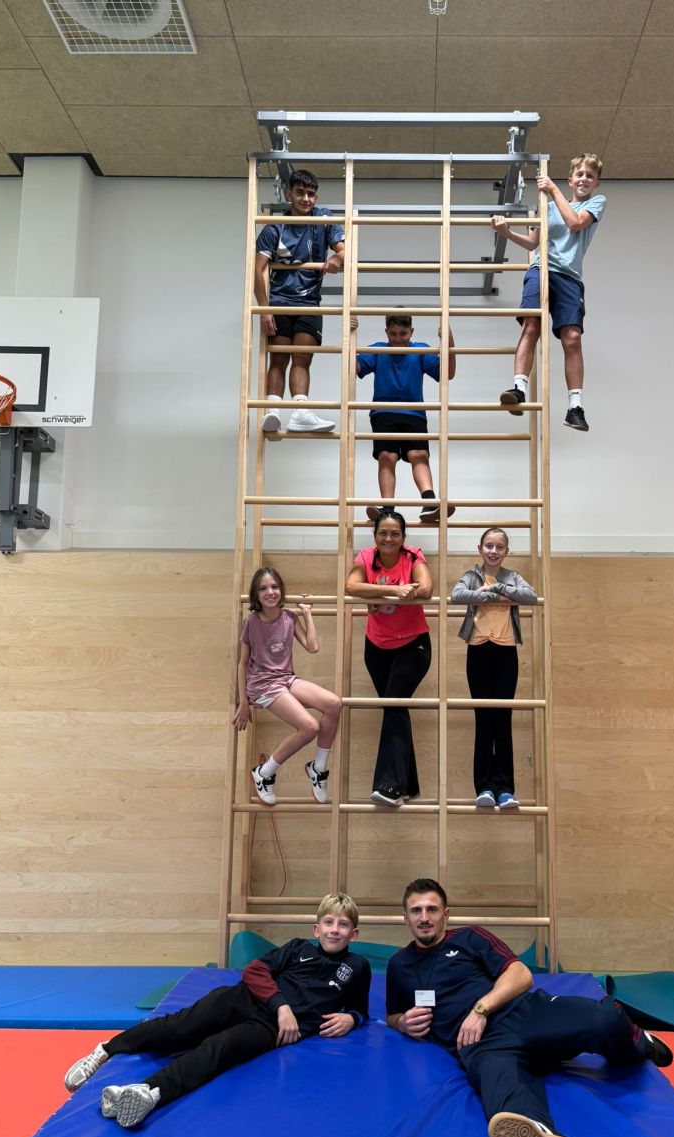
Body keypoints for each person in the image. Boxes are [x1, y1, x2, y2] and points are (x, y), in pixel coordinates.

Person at [386, 878, 673, 1137]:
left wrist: (481, 1009)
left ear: (445, 914)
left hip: (523, 1013)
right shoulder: (399, 965)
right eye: (416, 911)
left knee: (605, 1018)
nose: (424, 917)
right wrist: (402, 1023)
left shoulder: (471, 938)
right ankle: (541, 1136)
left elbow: (520, 974)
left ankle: (637, 1043)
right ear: (405, 918)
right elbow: (393, 1014)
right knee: (505, 1097)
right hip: (482, 1045)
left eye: (432, 909)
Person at [63, 893, 370, 1129]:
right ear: (317, 929)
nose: (335, 930)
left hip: (270, 1030)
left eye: (343, 925)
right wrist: (282, 1006)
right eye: (329, 923)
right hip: (245, 998)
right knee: (180, 1028)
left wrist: (352, 1018)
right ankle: (105, 1050)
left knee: (217, 1050)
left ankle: (147, 1092)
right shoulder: (298, 948)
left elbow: (361, 1008)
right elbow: (254, 971)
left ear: (353, 934)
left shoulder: (358, 966)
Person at [493, 154, 606, 432]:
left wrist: (553, 189)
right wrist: (507, 232)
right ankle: (518, 388)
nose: (584, 179)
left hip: (569, 276)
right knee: (531, 326)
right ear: (571, 180)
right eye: (579, 174)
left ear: (596, 183)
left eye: (590, 176)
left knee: (572, 337)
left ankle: (575, 407)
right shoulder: (548, 206)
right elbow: (533, 242)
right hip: (540, 269)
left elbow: (575, 223)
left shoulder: (595, 203)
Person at [344, 511, 433, 806]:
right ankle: (409, 785)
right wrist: (392, 590)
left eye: (395, 533)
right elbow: (351, 586)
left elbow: (426, 588)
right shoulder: (367, 556)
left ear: (403, 538)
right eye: (383, 533)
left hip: (413, 646)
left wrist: (376, 594)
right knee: (395, 709)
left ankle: (390, 786)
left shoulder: (413, 555)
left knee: (394, 704)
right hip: (377, 647)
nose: (388, 538)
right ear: (375, 537)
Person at [233, 566, 342, 806]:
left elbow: (313, 647)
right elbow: (242, 663)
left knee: (334, 703)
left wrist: (307, 613)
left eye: (274, 587)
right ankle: (264, 773)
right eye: (263, 588)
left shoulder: (289, 617)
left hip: (286, 679)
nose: (270, 592)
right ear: (256, 594)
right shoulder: (252, 621)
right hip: (263, 685)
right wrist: (243, 702)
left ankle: (318, 769)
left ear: (281, 589)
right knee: (309, 726)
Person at [451, 527, 538, 808]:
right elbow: (458, 595)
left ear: (506, 552)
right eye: (489, 546)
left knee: (502, 719)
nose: (493, 551)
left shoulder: (512, 576)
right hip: (478, 650)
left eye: (499, 547)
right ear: (480, 549)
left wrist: (496, 588)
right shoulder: (471, 575)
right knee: (483, 719)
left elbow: (530, 596)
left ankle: (505, 789)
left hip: (506, 652)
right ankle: (484, 788)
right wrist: (496, 597)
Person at [254, 168, 343, 435]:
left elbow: (345, 250)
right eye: (300, 193)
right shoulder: (275, 228)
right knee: (279, 358)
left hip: (309, 303)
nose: (306, 199)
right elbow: (257, 270)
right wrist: (265, 310)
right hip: (279, 303)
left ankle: (300, 413)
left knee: (302, 357)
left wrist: (336, 258)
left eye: (311, 194)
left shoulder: (323, 218)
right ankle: (272, 412)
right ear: (288, 194)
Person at [352, 313, 456, 523]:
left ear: (411, 332)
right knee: (386, 456)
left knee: (419, 455)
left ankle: (429, 502)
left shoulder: (420, 350)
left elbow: (448, 373)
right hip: (383, 412)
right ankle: (387, 508)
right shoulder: (378, 349)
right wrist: (349, 335)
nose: (398, 339)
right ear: (386, 332)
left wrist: (449, 341)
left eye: (403, 334)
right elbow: (353, 367)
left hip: (414, 412)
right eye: (393, 334)